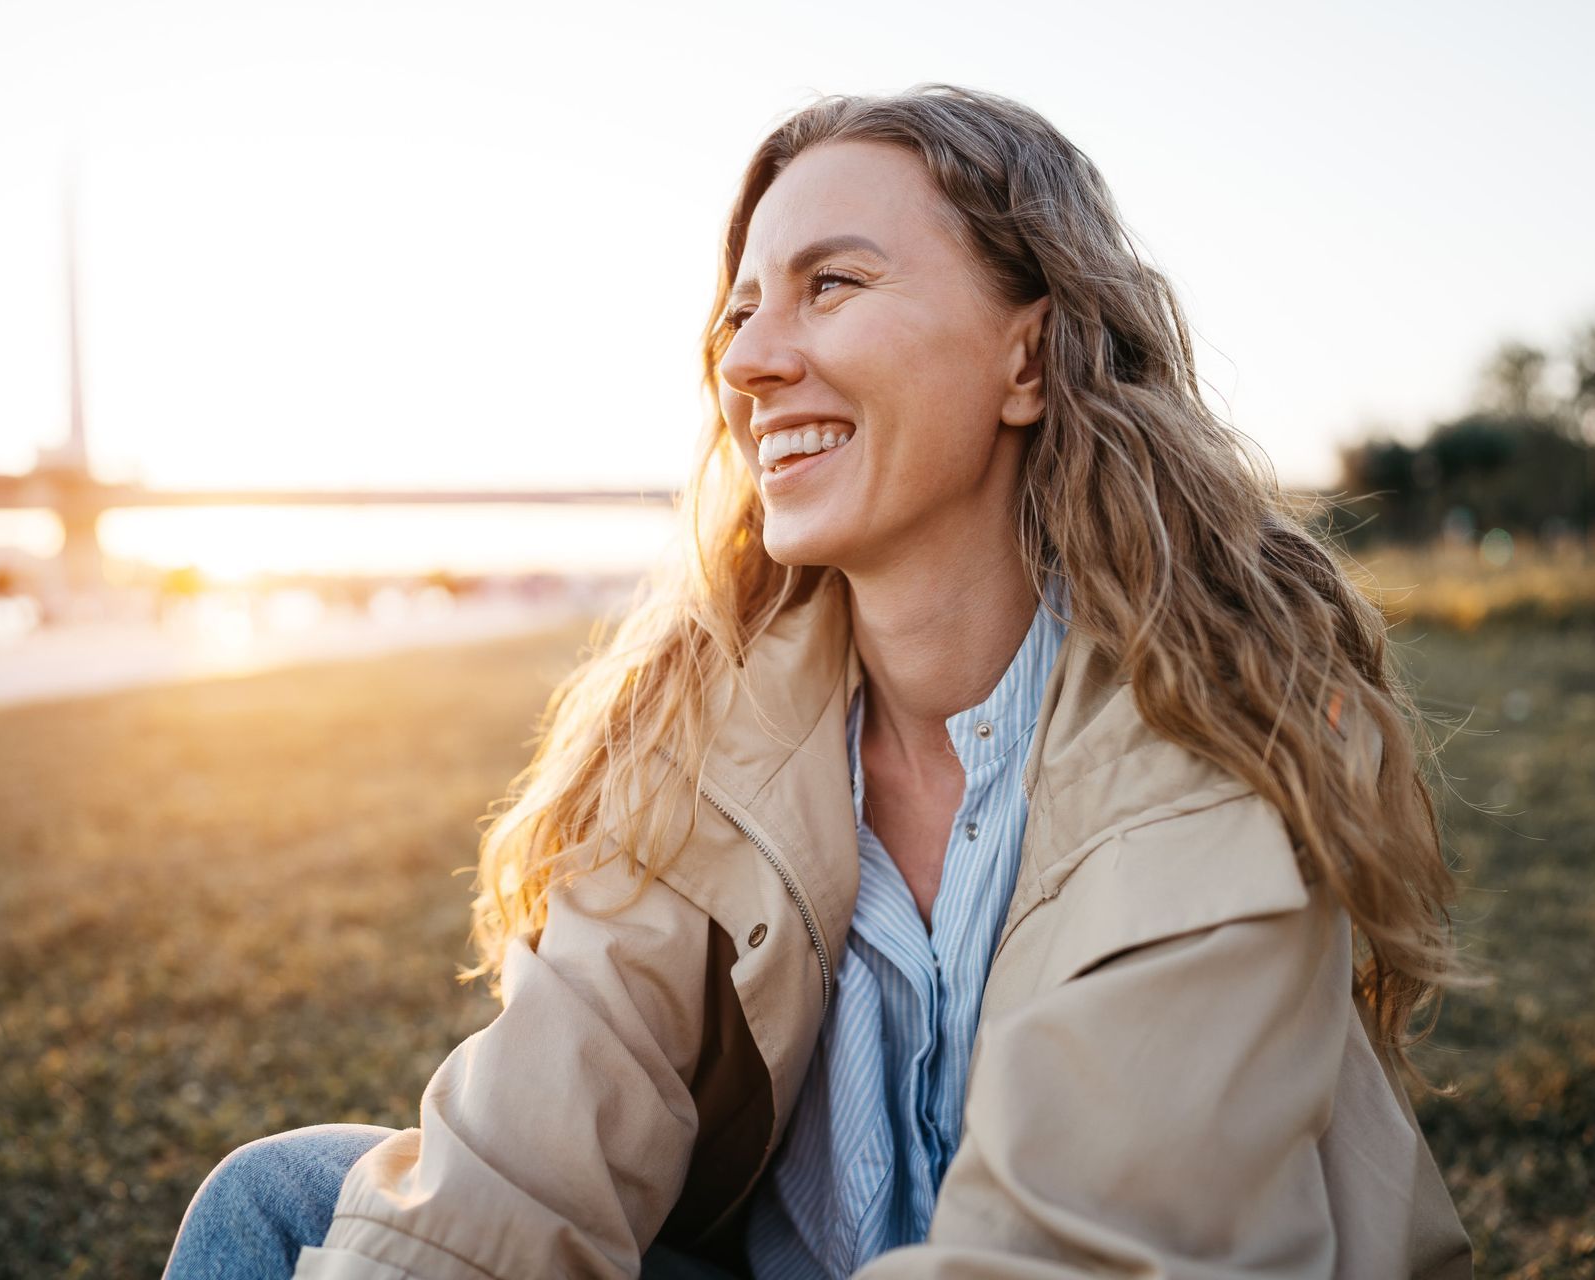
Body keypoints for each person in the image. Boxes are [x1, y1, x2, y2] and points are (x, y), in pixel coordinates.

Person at [164, 83, 1473, 1279]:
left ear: (1029, 356)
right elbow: (524, 1158)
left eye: (831, 285)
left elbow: (1091, 1258)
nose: (747, 362)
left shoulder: (1212, 739)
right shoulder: (696, 726)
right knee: (282, 1206)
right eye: (742, 311)